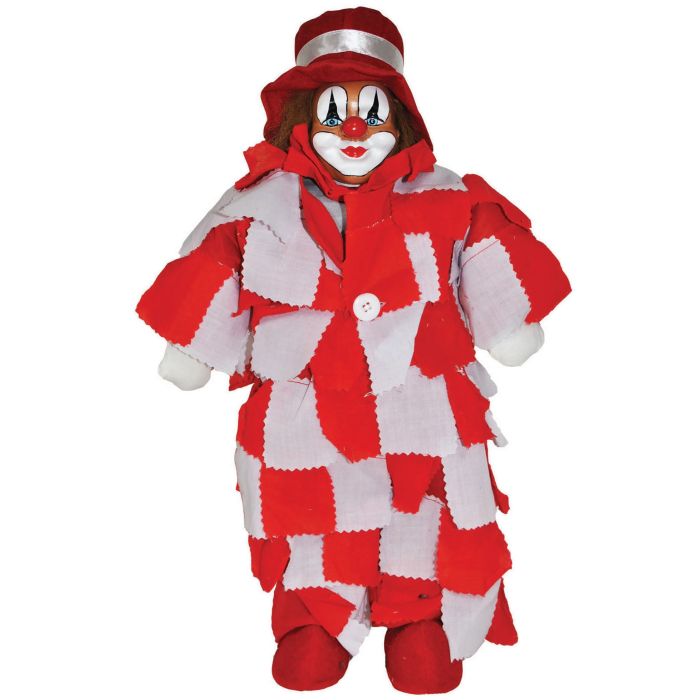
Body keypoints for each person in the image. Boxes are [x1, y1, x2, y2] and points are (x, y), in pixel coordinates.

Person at [136, 7, 571, 694]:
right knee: (307, 516)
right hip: (304, 413)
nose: (355, 130)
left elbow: (482, 247)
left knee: (426, 512)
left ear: (400, 118)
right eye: (334, 113)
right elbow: (216, 261)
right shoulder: (259, 205)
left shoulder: (444, 197)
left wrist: (508, 324)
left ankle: (420, 615)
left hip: (423, 408)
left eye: (372, 111)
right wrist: (190, 348)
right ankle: (315, 619)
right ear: (302, 119)